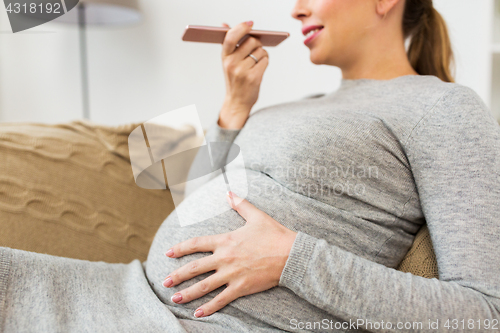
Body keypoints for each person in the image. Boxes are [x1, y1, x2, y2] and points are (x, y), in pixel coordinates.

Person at [1, 0, 499, 332]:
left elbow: (484, 311)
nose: (296, 7)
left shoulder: (443, 107)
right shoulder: (294, 106)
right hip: (127, 292)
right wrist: (234, 108)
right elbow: (198, 209)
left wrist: (292, 260)